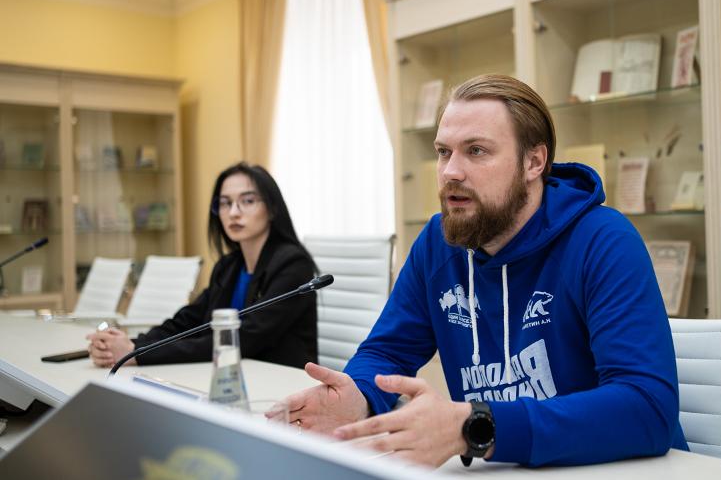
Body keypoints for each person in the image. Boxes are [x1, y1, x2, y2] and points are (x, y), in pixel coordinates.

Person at [284, 75, 688, 468]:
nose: (450, 172)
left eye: (476, 151)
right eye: (444, 152)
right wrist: (358, 396)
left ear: (534, 162)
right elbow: (388, 351)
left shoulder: (604, 240)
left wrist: (476, 427)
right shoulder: (437, 244)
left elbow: (647, 406)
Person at [86, 162, 317, 369]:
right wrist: (128, 345)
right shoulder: (229, 266)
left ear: (273, 208)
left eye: (247, 201)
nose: (233, 213)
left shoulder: (293, 265)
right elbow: (187, 322)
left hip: (279, 384)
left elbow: (243, 340)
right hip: (230, 375)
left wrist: (139, 354)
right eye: (225, 203)